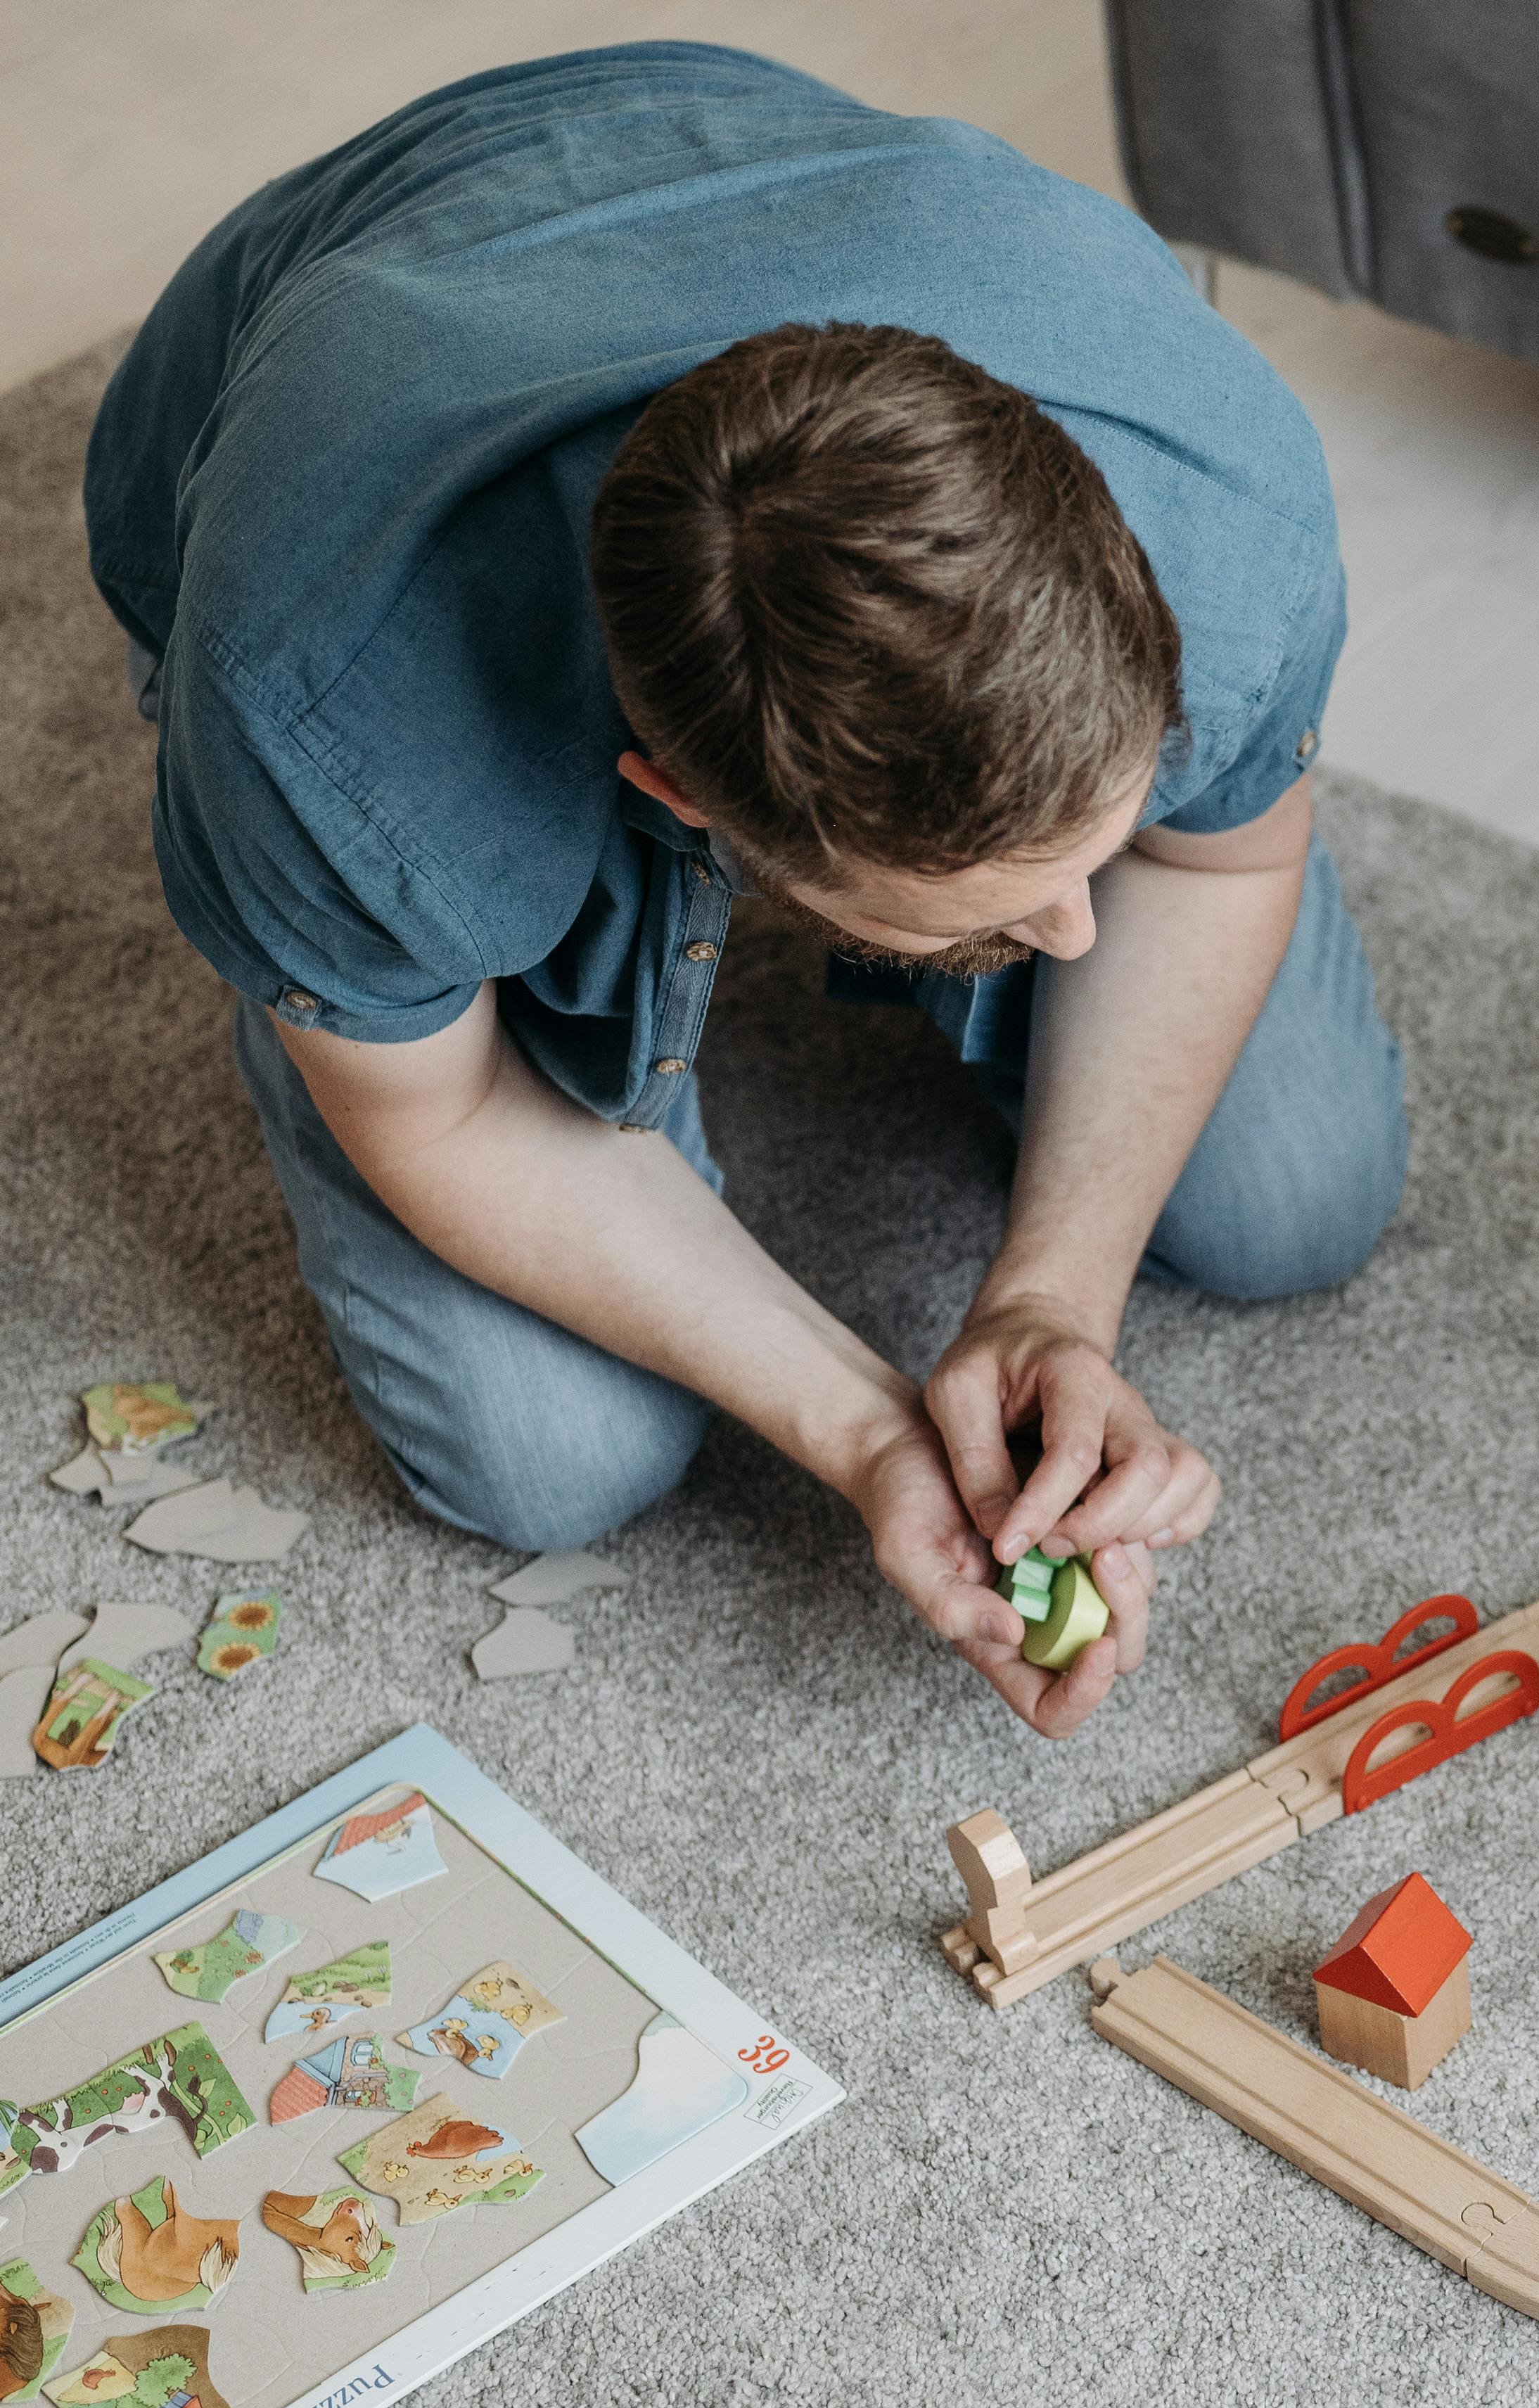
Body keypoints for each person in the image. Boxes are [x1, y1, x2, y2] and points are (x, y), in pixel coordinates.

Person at [84, 45, 1405, 1735]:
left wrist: (1049, 1299)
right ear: (682, 803)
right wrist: (862, 1433)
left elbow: (1216, 861)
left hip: (750, 164)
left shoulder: (1216, 492)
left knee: (1298, 1195)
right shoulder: (322, 706)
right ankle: (329, 979)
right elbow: (450, 1122)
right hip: (335, 351)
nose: (1076, 935)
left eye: (1097, 845)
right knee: (550, 1461)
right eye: (999, 916)